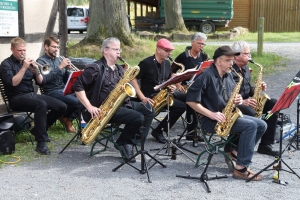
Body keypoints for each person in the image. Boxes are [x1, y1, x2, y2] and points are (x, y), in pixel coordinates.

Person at [186, 45, 267, 181]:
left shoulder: (228, 75)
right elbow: (190, 101)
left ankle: (236, 153)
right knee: (250, 126)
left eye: (232, 60)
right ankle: (241, 169)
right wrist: (211, 114)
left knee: (262, 124)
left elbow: (230, 97)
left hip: (226, 116)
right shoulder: (206, 76)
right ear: (219, 61)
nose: (232, 63)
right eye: (228, 60)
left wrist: (238, 99)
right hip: (211, 120)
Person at [72, 37, 155, 163]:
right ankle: (122, 143)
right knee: (137, 117)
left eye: (119, 50)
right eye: (115, 49)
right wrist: (89, 106)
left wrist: (124, 88)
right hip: (104, 109)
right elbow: (77, 87)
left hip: (121, 103)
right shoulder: (95, 68)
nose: (119, 52)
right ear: (105, 50)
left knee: (149, 109)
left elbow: (125, 89)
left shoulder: (119, 69)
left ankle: (133, 142)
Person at [0, 37, 67, 155]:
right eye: (19, 50)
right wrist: (24, 68)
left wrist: (36, 72)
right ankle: (41, 143)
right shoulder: (6, 64)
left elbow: (41, 82)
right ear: (12, 49)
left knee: (62, 106)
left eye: (24, 50)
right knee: (41, 104)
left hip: (31, 95)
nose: (22, 53)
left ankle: (38, 130)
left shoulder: (28, 63)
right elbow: (13, 83)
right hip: (16, 98)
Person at [131, 38, 186, 143]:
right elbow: (133, 79)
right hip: (149, 96)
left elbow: (167, 80)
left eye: (170, 51)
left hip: (162, 96)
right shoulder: (146, 63)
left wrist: (172, 86)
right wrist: (142, 97)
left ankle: (159, 130)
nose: (169, 53)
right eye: (166, 50)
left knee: (181, 106)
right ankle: (138, 136)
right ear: (158, 49)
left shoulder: (166, 64)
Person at [231, 40, 279, 156]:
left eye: (249, 53)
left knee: (273, 104)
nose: (250, 56)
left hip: (247, 102)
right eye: (246, 54)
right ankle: (236, 146)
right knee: (250, 111)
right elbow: (228, 94)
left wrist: (257, 89)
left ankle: (265, 145)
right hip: (234, 104)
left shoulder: (246, 68)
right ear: (236, 55)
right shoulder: (230, 70)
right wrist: (244, 101)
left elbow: (247, 89)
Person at [37, 36, 81, 133]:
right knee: (78, 102)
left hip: (63, 89)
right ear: (46, 47)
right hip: (51, 91)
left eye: (57, 47)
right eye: (53, 47)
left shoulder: (58, 59)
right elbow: (45, 80)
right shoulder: (41, 61)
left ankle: (66, 117)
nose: (56, 50)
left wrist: (68, 71)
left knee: (85, 96)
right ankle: (67, 119)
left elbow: (65, 79)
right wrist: (60, 67)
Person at [171, 32, 209, 141]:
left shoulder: (204, 56)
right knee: (192, 100)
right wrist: (178, 84)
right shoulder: (183, 56)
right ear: (192, 43)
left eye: (203, 44)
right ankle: (191, 131)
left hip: (198, 86)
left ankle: (201, 127)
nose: (201, 46)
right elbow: (172, 71)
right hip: (185, 87)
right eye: (199, 43)